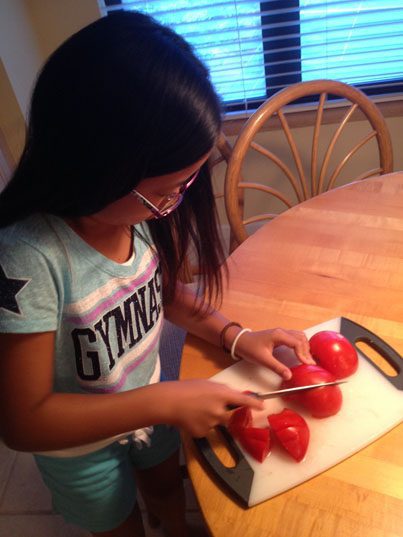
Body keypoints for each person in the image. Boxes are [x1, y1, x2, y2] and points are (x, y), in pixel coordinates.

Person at [0, 11, 313, 537]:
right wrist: (163, 401)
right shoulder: (28, 259)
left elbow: (162, 292)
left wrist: (236, 336)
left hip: (154, 403)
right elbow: (23, 420)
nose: (172, 205)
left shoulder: (134, 216)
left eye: (185, 186)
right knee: (118, 524)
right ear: (94, 165)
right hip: (82, 447)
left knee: (168, 490)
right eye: (163, 192)